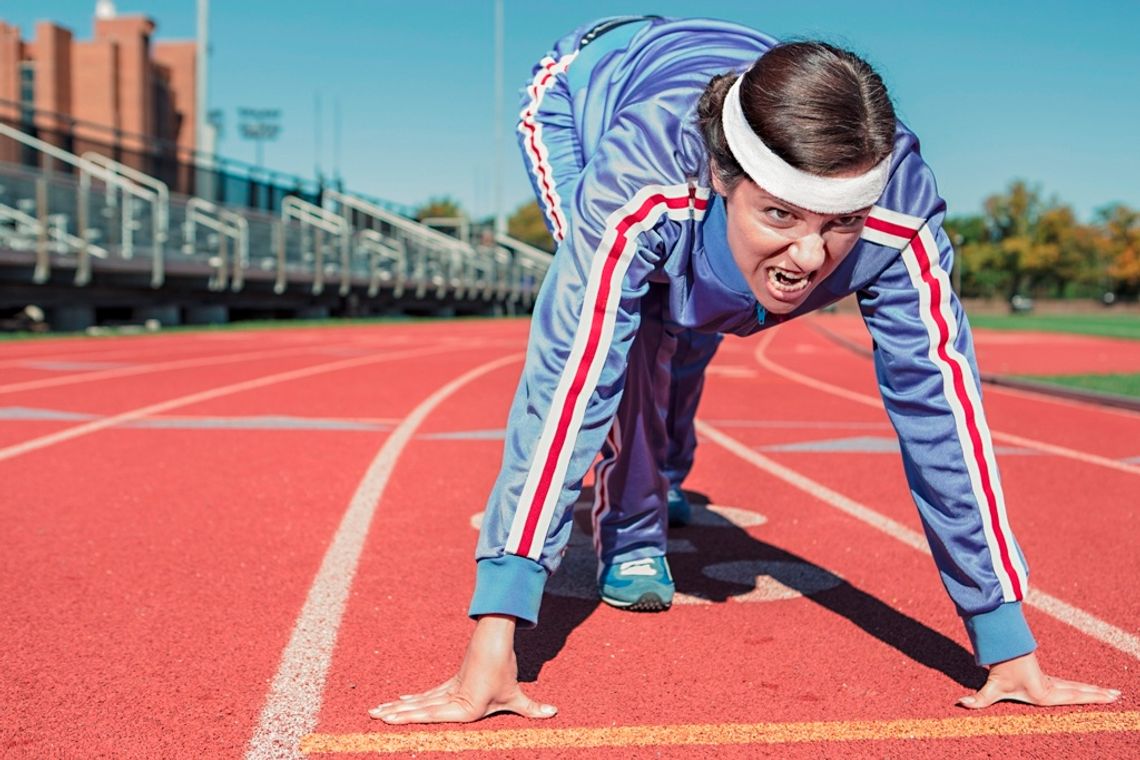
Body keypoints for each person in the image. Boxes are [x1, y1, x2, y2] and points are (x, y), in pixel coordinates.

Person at [372, 16, 1119, 723]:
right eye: (782, 216)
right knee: (632, 331)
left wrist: (1007, 641)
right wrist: (495, 636)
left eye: (841, 225)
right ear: (728, 179)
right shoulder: (642, 181)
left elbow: (943, 414)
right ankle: (632, 531)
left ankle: (666, 465)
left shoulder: (901, 214)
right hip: (586, 90)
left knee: (700, 318)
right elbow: (569, 381)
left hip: (731, 91)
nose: (809, 258)